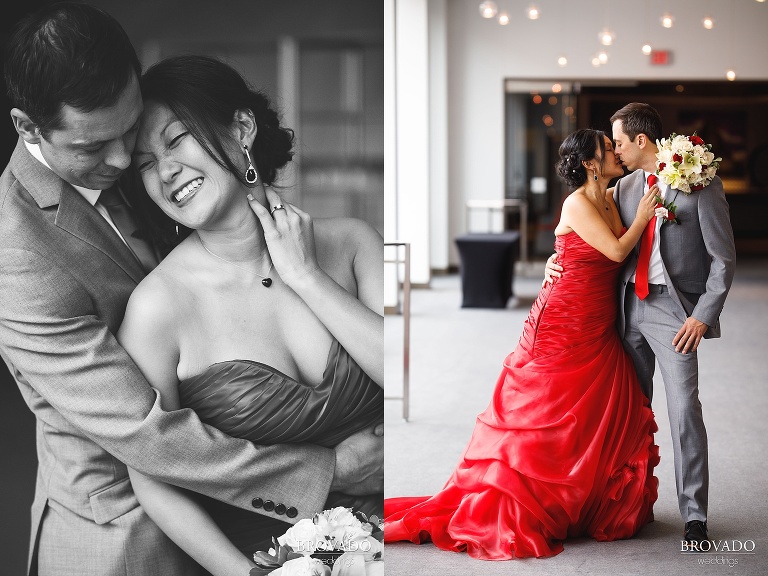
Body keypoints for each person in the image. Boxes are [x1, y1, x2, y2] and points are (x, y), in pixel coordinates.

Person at [0, 4, 381, 576]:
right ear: (29, 128)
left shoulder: (345, 242)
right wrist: (325, 475)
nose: (125, 160)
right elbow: (142, 432)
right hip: (120, 538)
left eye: (134, 134)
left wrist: (304, 275)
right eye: (94, 147)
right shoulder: (17, 255)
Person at [115, 54, 383, 576]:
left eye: (175, 140)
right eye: (146, 163)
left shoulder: (352, 243)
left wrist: (307, 277)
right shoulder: (156, 308)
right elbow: (153, 475)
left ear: (241, 129)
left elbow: (409, 384)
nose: (166, 171)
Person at [384, 129, 660, 559]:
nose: (614, 153)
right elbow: (614, 251)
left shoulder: (612, 195)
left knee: (589, 410)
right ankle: (523, 498)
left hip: (597, 321)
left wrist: (559, 254)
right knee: (544, 407)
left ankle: (576, 499)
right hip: (563, 318)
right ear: (590, 162)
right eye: (608, 149)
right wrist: (641, 219)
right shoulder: (577, 202)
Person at [546, 103, 736, 547]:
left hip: (675, 316)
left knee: (684, 409)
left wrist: (701, 316)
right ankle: (625, 505)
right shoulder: (624, 188)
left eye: (618, 143)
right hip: (623, 310)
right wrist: (556, 261)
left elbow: (723, 261)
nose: (615, 151)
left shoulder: (700, 184)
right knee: (627, 412)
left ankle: (694, 516)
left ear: (641, 142)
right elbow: (577, 227)